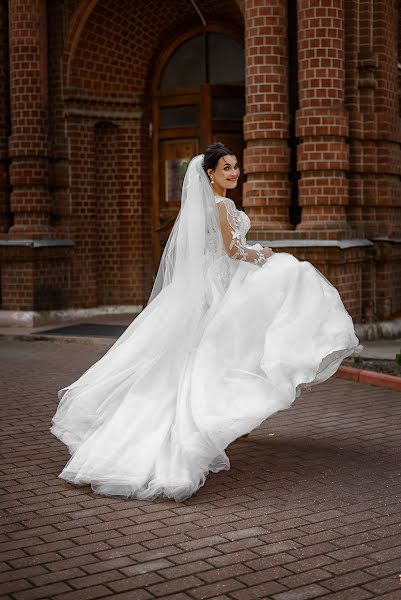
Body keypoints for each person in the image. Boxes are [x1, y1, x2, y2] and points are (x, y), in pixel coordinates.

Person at [50, 143, 363, 502]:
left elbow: (214, 250)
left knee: (194, 358)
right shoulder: (222, 205)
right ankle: (205, 426)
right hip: (220, 286)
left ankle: (208, 426)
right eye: (226, 168)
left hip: (208, 284)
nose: (233, 173)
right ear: (210, 173)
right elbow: (234, 252)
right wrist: (265, 252)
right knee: (291, 278)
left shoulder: (202, 207)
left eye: (235, 167)